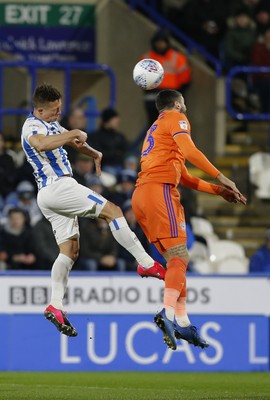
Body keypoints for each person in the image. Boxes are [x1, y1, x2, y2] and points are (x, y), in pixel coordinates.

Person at [21, 83, 165, 337]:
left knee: (70, 250)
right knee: (114, 211)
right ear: (40, 110)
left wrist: (93, 152)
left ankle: (56, 305)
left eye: (60, 109)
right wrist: (74, 131)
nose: (58, 113)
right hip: (58, 187)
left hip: (51, 194)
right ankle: (145, 263)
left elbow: (74, 141)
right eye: (54, 111)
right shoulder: (32, 125)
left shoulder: (52, 124)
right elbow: (42, 144)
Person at [132, 89, 247, 350]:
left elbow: (185, 177)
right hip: (160, 192)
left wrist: (218, 191)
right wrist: (222, 177)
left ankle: (182, 323)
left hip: (143, 195)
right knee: (181, 257)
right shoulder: (175, 118)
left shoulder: (156, 130)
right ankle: (167, 314)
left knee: (176, 262)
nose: (185, 108)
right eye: (184, 103)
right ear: (176, 104)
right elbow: (191, 150)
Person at [141, 29, 192, 124]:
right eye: (158, 42)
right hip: (153, 96)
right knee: (155, 125)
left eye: (162, 42)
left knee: (172, 125)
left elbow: (185, 78)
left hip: (171, 96)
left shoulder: (177, 57)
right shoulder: (147, 57)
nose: (160, 45)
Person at [88, 108, 128, 176]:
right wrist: (115, 153)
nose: (118, 123)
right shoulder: (96, 136)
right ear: (108, 120)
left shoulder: (119, 136)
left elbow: (126, 150)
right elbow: (99, 154)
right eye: (115, 120)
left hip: (120, 166)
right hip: (104, 168)